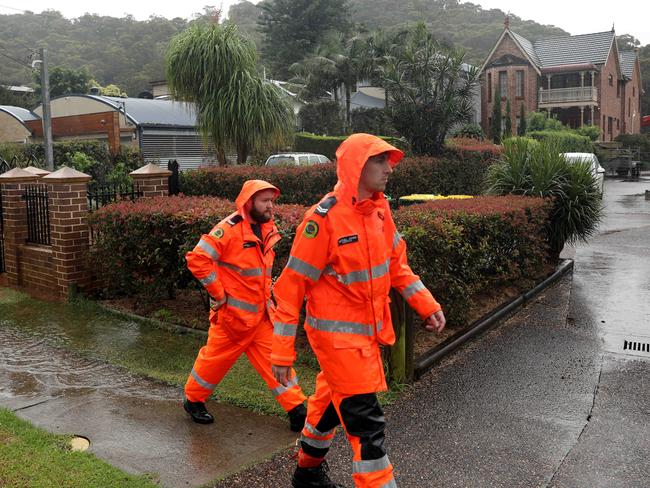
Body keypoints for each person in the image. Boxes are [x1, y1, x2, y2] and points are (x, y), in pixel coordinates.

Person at [271, 134, 446, 487]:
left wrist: (426, 304)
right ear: (357, 166)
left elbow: (397, 265)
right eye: (380, 161)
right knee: (367, 426)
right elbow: (290, 287)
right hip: (336, 342)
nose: (389, 168)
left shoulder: (380, 212)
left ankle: (306, 473)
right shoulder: (323, 219)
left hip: (367, 335)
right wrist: (281, 352)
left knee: (328, 405)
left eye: (389, 160)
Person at [183, 179, 307, 432]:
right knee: (213, 364)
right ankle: (193, 401)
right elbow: (197, 259)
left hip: (261, 316)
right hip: (232, 320)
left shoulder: (266, 228)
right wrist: (218, 293)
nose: (271, 206)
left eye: (272, 200)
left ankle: (297, 409)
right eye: (265, 201)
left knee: (278, 361)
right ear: (249, 202)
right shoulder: (228, 230)